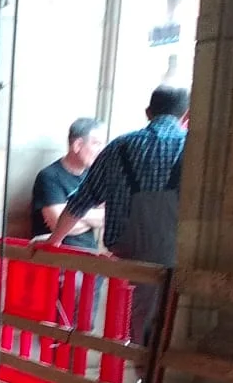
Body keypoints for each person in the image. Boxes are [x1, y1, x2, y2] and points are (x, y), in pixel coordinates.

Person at [43, 86, 189, 349]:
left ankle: (133, 361)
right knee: (162, 324)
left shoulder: (119, 147)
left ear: (148, 112)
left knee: (130, 321)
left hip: (125, 253)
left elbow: (81, 200)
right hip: (174, 252)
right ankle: (146, 367)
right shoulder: (192, 146)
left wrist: (54, 241)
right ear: (185, 114)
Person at [31, 118, 106, 249]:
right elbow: (57, 225)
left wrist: (70, 215)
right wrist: (91, 216)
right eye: (96, 143)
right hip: (59, 254)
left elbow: (107, 217)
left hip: (89, 253)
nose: (101, 150)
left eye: (103, 144)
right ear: (77, 145)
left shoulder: (94, 175)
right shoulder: (49, 176)